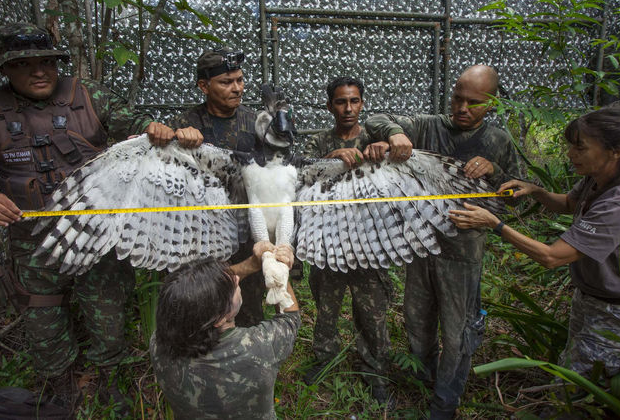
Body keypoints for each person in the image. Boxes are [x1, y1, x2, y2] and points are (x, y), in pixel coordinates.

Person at [0, 23, 175, 412]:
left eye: (47, 63)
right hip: (30, 234)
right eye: (25, 65)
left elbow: (136, 129)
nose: (39, 72)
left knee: (107, 305)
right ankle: (59, 383)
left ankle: (109, 377)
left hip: (95, 229)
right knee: (41, 311)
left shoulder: (88, 97)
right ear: (5, 69)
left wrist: (155, 130)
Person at [364, 65, 523, 419]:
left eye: (473, 102)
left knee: (457, 330)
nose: (462, 108)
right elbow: (375, 118)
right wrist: (395, 133)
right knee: (417, 317)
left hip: (463, 252)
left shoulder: (498, 140)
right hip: (420, 244)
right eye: (457, 98)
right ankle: (423, 376)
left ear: (492, 105)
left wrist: (495, 172)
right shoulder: (428, 125)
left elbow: (519, 194)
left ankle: (445, 401)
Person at [449, 107, 620, 377]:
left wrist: (493, 223)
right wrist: (537, 191)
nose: (570, 154)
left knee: (579, 385)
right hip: (591, 297)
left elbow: (552, 257)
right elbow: (569, 203)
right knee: (574, 367)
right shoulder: (601, 177)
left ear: (617, 150)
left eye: (580, 147)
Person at [301, 76, 394, 407]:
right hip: (328, 240)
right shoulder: (318, 141)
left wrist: (386, 148)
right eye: (341, 102)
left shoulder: (374, 138)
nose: (348, 108)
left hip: (369, 241)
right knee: (326, 309)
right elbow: (303, 176)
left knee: (372, 311)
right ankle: (324, 360)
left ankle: (375, 371)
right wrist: (331, 157)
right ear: (330, 106)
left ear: (362, 103)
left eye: (354, 101)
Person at [171, 48, 269, 327]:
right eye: (226, 82)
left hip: (247, 231)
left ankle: (247, 355)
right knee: (203, 301)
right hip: (201, 232)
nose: (237, 88)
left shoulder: (257, 123)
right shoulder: (185, 124)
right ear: (204, 86)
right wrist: (178, 140)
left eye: (239, 80)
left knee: (249, 304)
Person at [150, 241, 300, 419]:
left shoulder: (160, 344)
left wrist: (252, 263)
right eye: (232, 287)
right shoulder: (259, 348)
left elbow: (201, 291)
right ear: (219, 319)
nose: (236, 278)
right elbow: (290, 318)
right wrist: (279, 271)